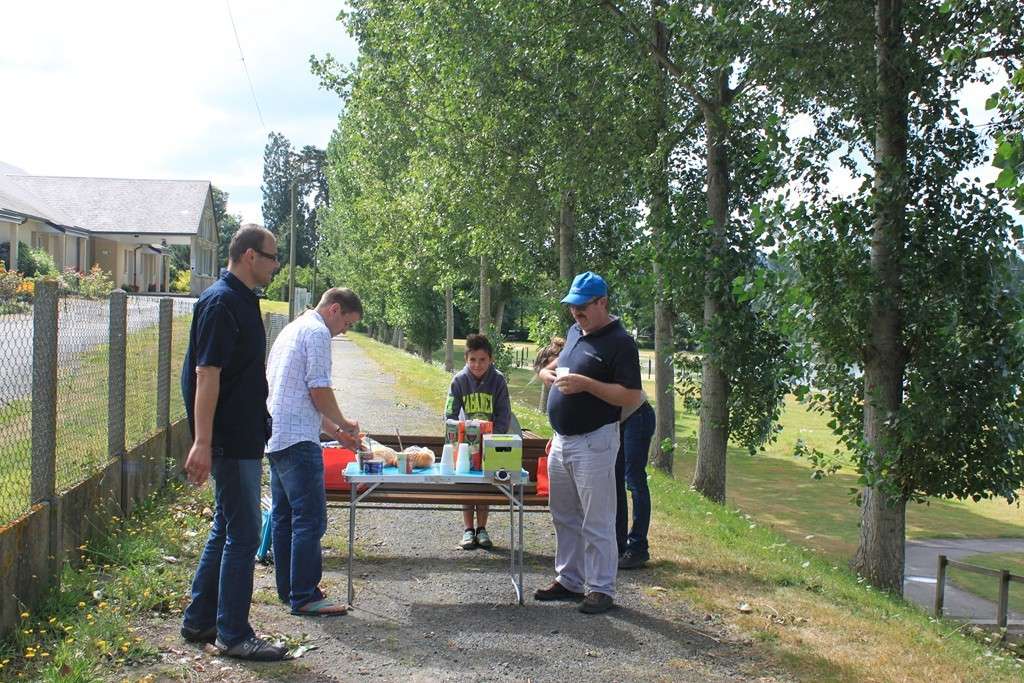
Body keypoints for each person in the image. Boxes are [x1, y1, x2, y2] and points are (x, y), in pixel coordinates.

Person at [179, 224, 288, 661]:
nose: (276, 265)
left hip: (243, 434)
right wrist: (203, 442)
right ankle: (234, 634)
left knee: (226, 526)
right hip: (229, 439)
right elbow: (206, 374)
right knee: (242, 534)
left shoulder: (243, 300)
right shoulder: (222, 302)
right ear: (248, 256)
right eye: (271, 256)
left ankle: (200, 620)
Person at [534, 271, 643, 615]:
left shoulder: (621, 342)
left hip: (595, 442)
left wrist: (587, 385)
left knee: (597, 518)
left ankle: (600, 588)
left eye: (582, 308)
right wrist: (546, 374)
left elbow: (630, 395)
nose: (576, 314)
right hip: (562, 440)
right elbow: (554, 365)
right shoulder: (575, 332)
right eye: (572, 308)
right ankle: (569, 580)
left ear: (602, 303)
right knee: (563, 514)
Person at [265, 287, 363, 616]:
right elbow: (318, 390)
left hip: (275, 435)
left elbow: (300, 394)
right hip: (299, 441)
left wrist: (336, 434)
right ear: (334, 310)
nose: (343, 332)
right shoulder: (318, 333)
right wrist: (346, 423)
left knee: (284, 517)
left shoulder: (291, 329)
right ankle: (305, 594)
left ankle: (289, 588)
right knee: (310, 519)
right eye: (347, 324)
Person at [444, 333, 512, 550]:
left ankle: (482, 528)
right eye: (472, 359)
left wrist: (494, 438)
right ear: (466, 359)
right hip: (465, 443)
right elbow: (449, 415)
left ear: (490, 359)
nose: (477, 364)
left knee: (484, 485)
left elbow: (504, 414)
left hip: (490, 442)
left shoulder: (498, 380)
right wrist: (459, 436)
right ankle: (467, 529)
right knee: (466, 482)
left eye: (482, 359)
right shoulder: (459, 381)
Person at [615, 393, 656, 569]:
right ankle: (619, 545)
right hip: (619, 422)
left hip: (637, 415)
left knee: (634, 482)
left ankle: (638, 547)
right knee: (615, 482)